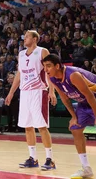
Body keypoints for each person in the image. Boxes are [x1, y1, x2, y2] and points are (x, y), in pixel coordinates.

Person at [43, 54, 96, 179]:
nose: (45, 69)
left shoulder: (73, 75)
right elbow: (65, 99)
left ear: (57, 65)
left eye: (48, 66)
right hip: (84, 101)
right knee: (75, 128)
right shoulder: (53, 79)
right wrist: (73, 117)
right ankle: (86, 169)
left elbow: (90, 95)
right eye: (44, 66)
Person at [5, 30, 57, 170]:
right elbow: (19, 74)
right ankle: (33, 158)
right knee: (28, 126)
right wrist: (11, 93)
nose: (24, 38)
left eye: (27, 36)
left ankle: (50, 159)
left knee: (41, 126)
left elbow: (49, 72)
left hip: (38, 92)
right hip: (25, 92)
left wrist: (52, 91)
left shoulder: (42, 51)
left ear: (35, 39)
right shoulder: (21, 54)